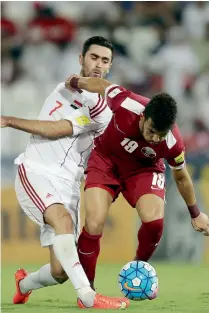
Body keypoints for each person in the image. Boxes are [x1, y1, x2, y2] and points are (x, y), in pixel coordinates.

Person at [0, 36, 129, 309]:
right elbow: (57, 128)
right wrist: (9, 120)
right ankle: (87, 296)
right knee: (63, 222)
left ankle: (23, 284)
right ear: (81, 59)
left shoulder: (102, 109)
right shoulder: (66, 92)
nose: (98, 64)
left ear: (109, 67)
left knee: (60, 271)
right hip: (36, 170)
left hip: (68, 184)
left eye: (105, 61)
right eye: (93, 57)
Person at [65, 75, 209, 291]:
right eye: (152, 131)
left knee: (154, 222)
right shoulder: (126, 103)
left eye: (161, 134)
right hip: (106, 162)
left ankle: (138, 269)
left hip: (144, 170)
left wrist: (195, 213)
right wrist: (76, 83)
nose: (155, 139)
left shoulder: (173, 143)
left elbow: (181, 176)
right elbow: (102, 85)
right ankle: (87, 290)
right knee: (94, 223)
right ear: (143, 117)